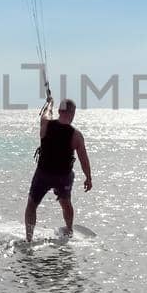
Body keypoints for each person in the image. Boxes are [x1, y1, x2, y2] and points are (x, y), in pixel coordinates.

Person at [24, 98, 92, 240]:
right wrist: (88, 178)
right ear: (72, 113)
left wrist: (49, 102)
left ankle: (29, 238)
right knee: (66, 203)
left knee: (31, 205)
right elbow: (83, 159)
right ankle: (68, 229)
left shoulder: (45, 123)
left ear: (59, 111)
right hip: (63, 176)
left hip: (43, 174)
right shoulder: (76, 135)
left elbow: (46, 112)